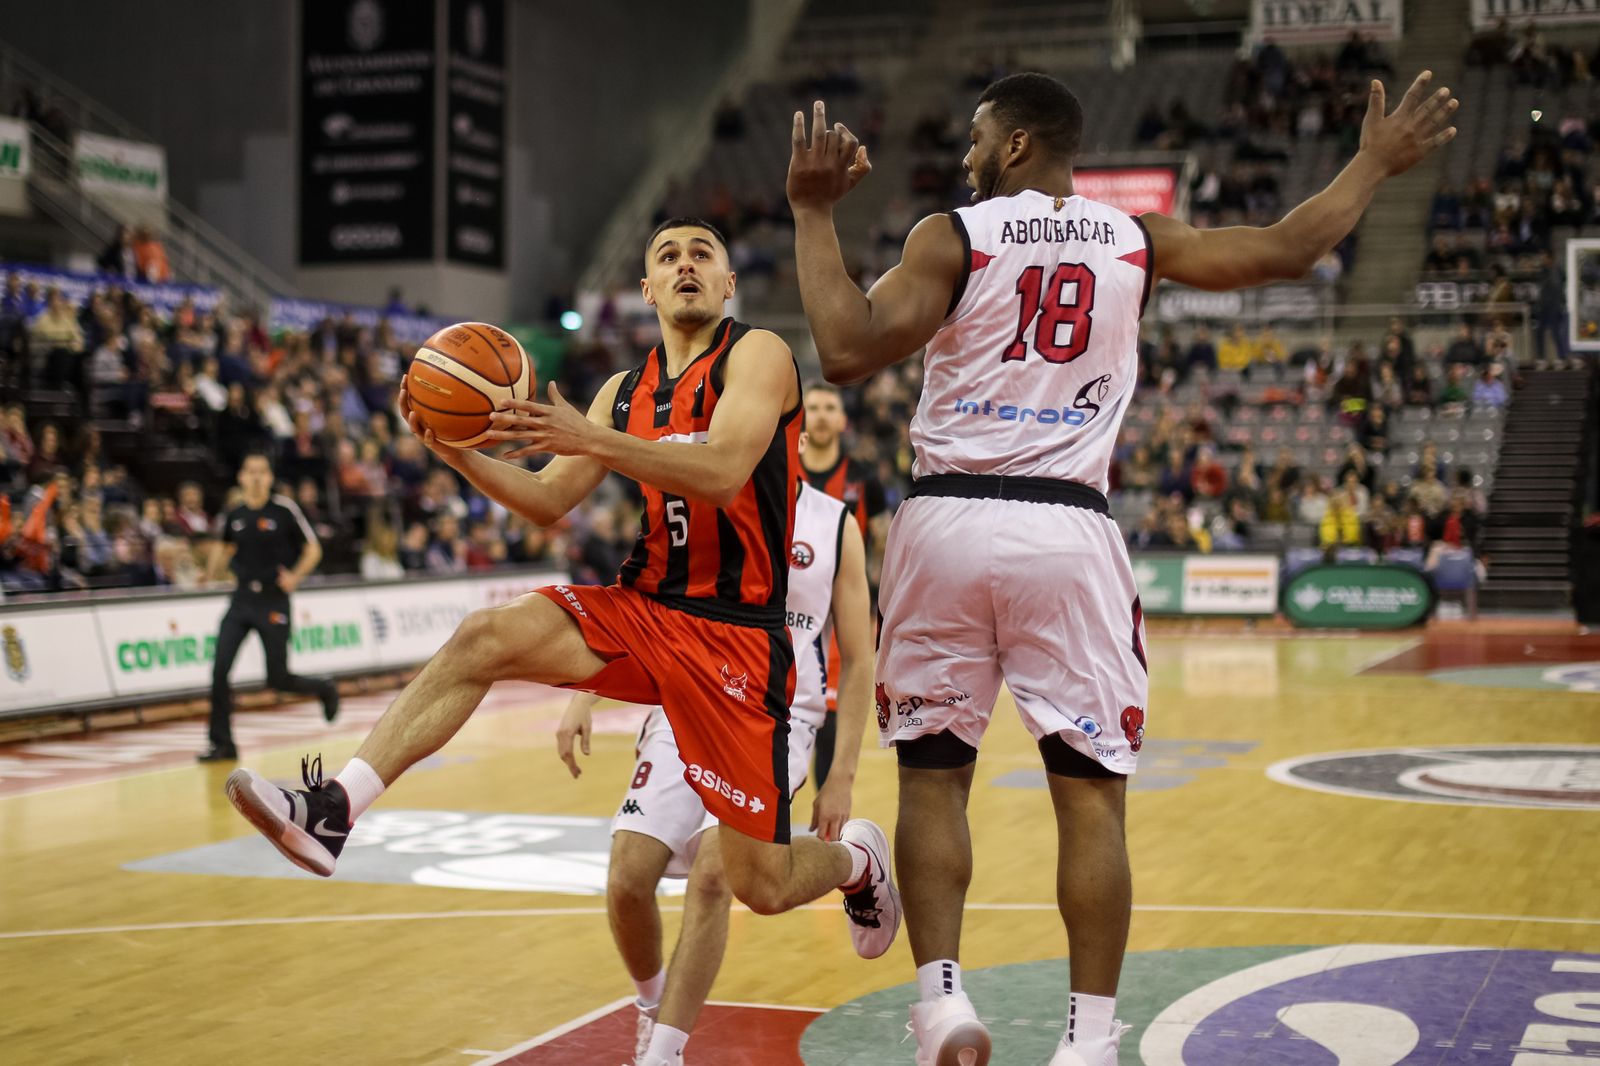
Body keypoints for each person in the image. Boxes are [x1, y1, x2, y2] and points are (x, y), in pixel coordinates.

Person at [787, 68, 1456, 1066]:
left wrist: (810, 214)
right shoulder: (1134, 239)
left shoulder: (953, 235)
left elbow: (842, 349)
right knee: (1089, 794)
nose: (966, 155)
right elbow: (1288, 248)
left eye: (978, 138)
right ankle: (1089, 1041)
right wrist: (1371, 162)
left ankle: (941, 1003)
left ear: (1016, 145)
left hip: (944, 523)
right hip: (1067, 526)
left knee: (932, 780)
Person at [222, 219, 900, 961]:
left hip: (738, 636)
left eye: (702, 255)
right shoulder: (622, 391)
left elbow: (724, 471)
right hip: (648, 608)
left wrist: (589, 439)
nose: (685, 266)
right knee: (485, 636)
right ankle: (335, 808)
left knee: (761, 885)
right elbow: (548, 500)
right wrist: (453, 452)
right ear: (644, 289)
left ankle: (857, 860)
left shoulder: (758, 355)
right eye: (667, 257)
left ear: (728, 282)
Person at [557, 476, 873, 1066]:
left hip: (776, 719)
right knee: (628, 877)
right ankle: (653, 1011)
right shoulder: (701, 497)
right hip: (688, 700)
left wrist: (843, 776)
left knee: (713, 874)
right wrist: (586, 691)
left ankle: (665, 1055)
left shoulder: (834, 524)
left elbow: (859, 658)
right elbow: (643, 604)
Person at [199, 451, 340, 761]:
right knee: (219, 670)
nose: (256, 477)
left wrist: (295, 577)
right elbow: (223, 547)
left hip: (273, 600)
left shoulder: (284, 510)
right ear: (241, 477)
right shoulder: (234, 515)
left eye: (262, 472)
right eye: (250, 472)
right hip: (241, 600)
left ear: (270, 477)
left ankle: (323, 688)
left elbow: (312, 549)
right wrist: (208, 574)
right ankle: (222, 743)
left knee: (277, 678)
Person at [799, 380, 888, 790]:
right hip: (787, 611)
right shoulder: (780, 469)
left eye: (827, 407)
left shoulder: (863, 479)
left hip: (842, 616)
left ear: (841, 419)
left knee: (832, 725)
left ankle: (824, 837)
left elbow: (883, 541)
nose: (819, 415)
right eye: (812, 407)